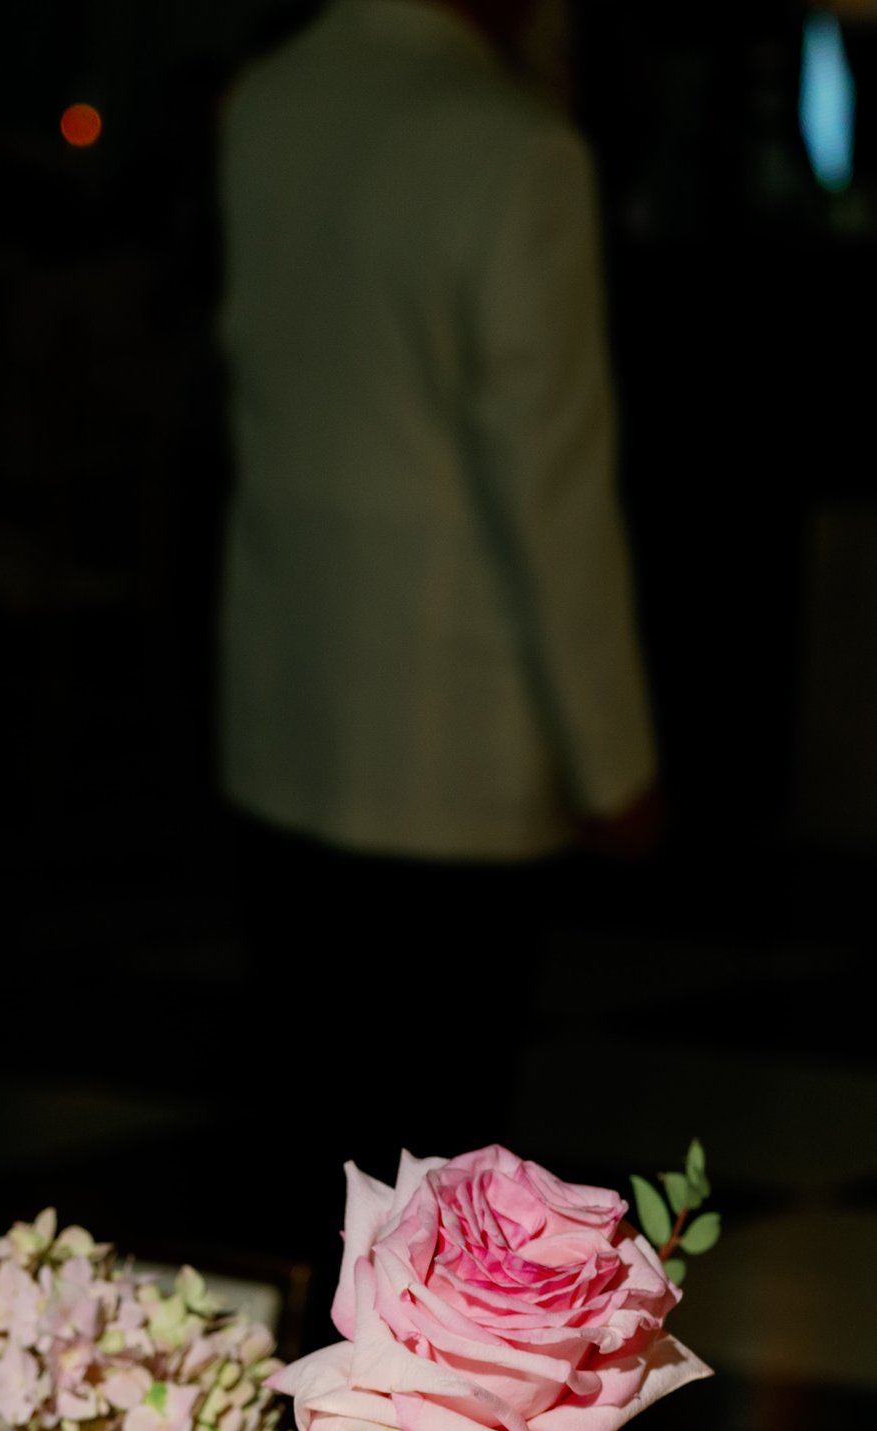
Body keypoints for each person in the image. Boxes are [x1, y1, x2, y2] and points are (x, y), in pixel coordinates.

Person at [217, 0, 657, 1239]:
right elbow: (553, 484)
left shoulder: (271, 100)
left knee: (308, 1126)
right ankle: (411, 1425)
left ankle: (300, 1411)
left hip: (286, 697)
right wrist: (611, 753)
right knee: (438, 1159)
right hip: (448, 729)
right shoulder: (515, 148)